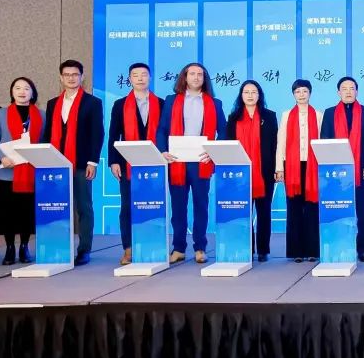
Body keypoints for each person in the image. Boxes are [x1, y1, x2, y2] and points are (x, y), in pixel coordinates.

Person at [157, 62, 226, 265]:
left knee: (201, 206)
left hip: (201, 161)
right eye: (192, 74)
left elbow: (223, 131)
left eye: (200, 74)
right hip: (177, 160)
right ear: (184, 77)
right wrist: (162, 150)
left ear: (205, 79)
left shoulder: (215, 103)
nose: (196, 77)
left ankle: (200, 248)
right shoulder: (171, 100)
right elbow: (162, 129)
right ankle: (178, 248)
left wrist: (214, 151)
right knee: (178, 207)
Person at [40, 60, 104, 266]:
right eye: (67, 74)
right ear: (61, 78)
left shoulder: (93, 103)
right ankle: (58, 247)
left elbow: (97, 134)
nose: (71, 78)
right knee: (56, 206)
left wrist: (93, 162)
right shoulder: (52, 103)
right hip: (56, 164)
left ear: (82, 77)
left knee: (84, 207)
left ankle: (84, 249)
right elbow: (48, 133)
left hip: (82, 163)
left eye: (75, 74)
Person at [107, 62, 162, 266]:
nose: (140, 78)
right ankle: (128, 249)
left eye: (144, 74)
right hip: (127, 164)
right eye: (135, 75)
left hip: (156, 163)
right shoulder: (120, 105)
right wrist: (113, 161)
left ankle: (153, 246)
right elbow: (113, 134)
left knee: (154, 206)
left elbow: (166, 134)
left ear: (150, 78)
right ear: (129, 79)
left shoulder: (161, 103)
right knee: (128, 207)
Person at [321, 76, 364, 263]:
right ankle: (339, 245)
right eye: (344, 89)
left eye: (351, 88)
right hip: (336, 173)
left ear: (356, 91)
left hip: (361, 170)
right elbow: (325, 141)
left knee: (362, 211)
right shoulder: (329, 113)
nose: (348, 92)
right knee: (339, 211)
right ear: (338, 92)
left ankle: (363, 248)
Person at [0, 77, 40, 265]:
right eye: (17, 88)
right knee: (7, 213)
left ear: (32, 93)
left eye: (26, 88)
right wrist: (2, 158)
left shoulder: (41, 115)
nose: (22, 91)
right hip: (5, 172)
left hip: (30, 172)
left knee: (26, 212)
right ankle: (9, 248)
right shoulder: (0, 113)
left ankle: (24, 246)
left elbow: (45, 142)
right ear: (12, 92)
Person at [226, 80, 278, 262]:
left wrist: (277, 168)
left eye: (254, 92)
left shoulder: (269, 116)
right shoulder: (233, 118)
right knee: (243, 213)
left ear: (259, 95)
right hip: (240, 174)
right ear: (241, 95)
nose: (250, 95)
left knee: (264, 213)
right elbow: (228, 144)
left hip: (265, 171)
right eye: (246, 92)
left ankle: (263, 250)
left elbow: (275, 145)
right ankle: (246, 248)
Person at [277, 79, 322, 262]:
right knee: (294, 208)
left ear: (310, 93)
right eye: (297, 91)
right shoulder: (286, 115)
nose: (301, 94)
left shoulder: (318, 115)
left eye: (304, 91)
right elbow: (281, 142)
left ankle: (312, 250)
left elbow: (322, 142)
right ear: (293, 94)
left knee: (312, 208)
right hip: (292, 166)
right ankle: (296, 251)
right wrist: (279, 168)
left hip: (313, 166)